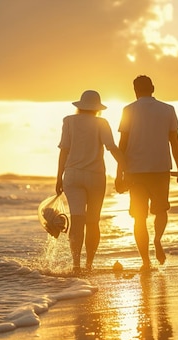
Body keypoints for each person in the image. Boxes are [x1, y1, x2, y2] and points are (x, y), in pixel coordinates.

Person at [115, 75, 178, 271]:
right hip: (160, 168)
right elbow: (175, 142)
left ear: (135, 90)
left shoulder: (128, 110)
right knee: (161, 210)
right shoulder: (168, 109)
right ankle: (157, 239)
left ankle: (145, 262)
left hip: (135, 171)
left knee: (139, 217)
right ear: (153, 88)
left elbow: (123, 144)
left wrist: (119, 172)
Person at [56, 90, 124, 272]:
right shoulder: (101, 123)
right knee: (93, 222)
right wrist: (127, 168)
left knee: (77, 221)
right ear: (97, 108)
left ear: (80, 106)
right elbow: (112, 148)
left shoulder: (68, 121)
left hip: (73, 175)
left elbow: (64, 150)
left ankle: (76, 264)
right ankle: (89, 264)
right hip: (95, 176)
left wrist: (59, 177)